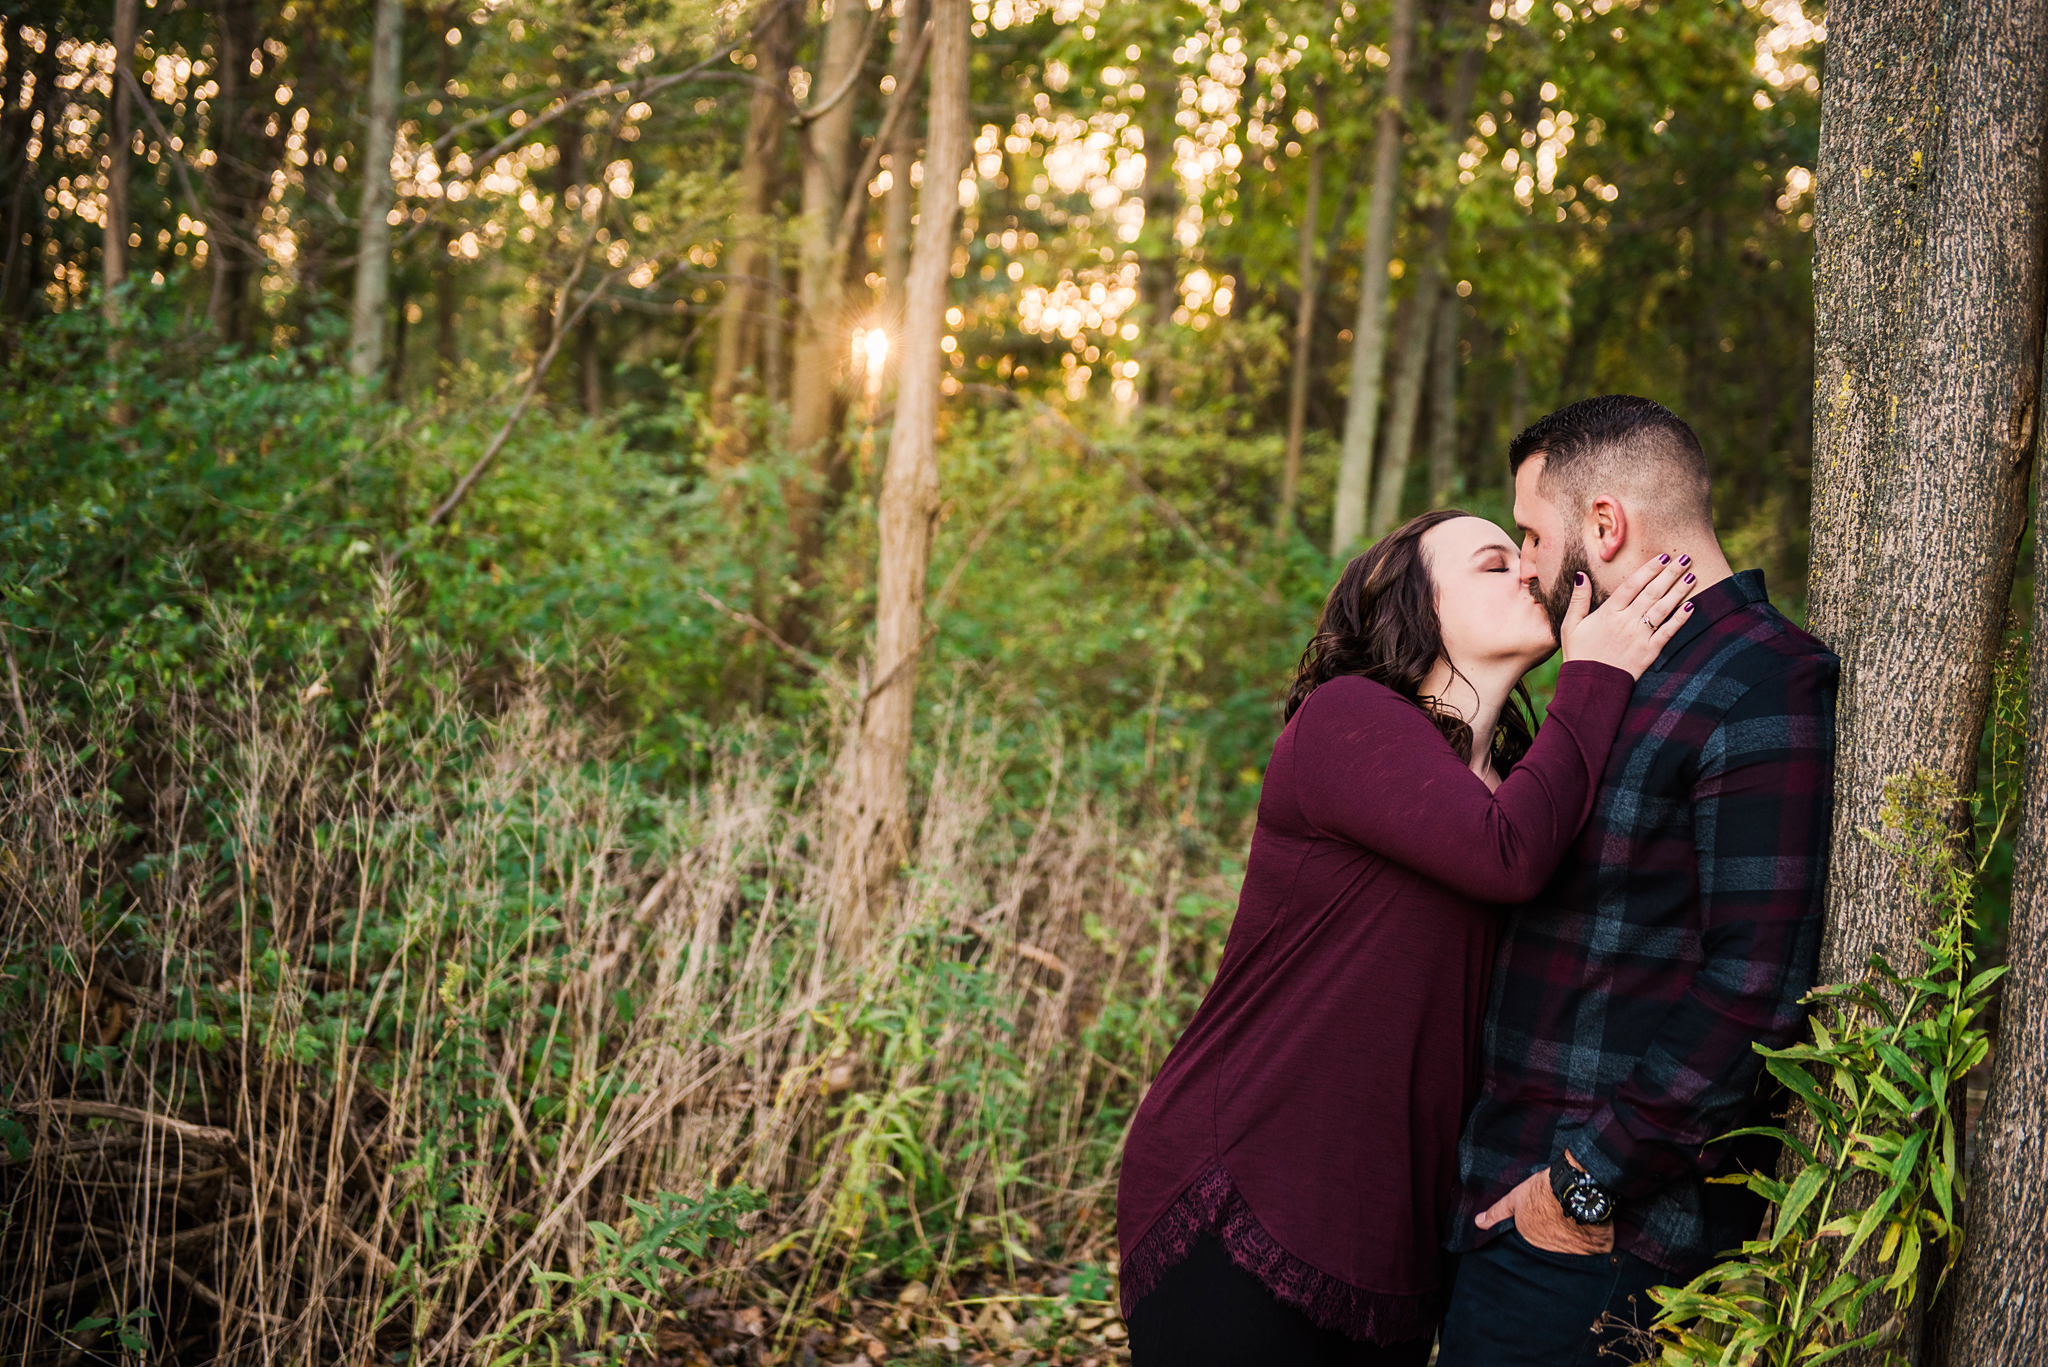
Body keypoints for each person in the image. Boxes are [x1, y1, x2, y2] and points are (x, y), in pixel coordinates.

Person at [1117, 507, 1699, 1366]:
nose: (1529, 572)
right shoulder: (1347, 720)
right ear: (1414, 606)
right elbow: (1504, 857)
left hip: (1394, 1233)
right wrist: (1599, 671)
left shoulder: (1527, 778)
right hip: (1247, 1192)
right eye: (1492, 562)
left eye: (1522, 553)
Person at [1436, 395, 1839, 1366]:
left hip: (1599, 1239)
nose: (1525, 564)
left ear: (1605, 525)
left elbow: (1753, 989)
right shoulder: (1607, 675)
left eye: (1533, 533)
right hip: (1500, 1199)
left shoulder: (1760, 679)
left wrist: (1580, 1181)